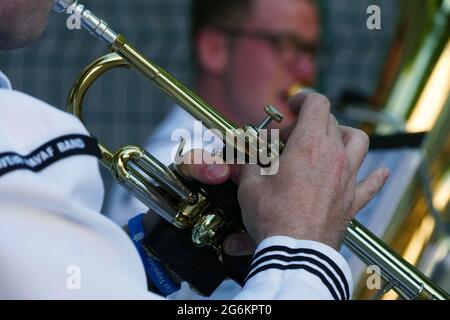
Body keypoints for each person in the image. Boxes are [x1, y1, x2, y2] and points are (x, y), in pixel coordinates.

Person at [0, 0, 389, 300]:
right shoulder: (25, 140)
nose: (306, 69)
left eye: (314, 50)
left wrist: (165, 258)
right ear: (214, 48)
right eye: (285, 45)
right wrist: (303, 247)